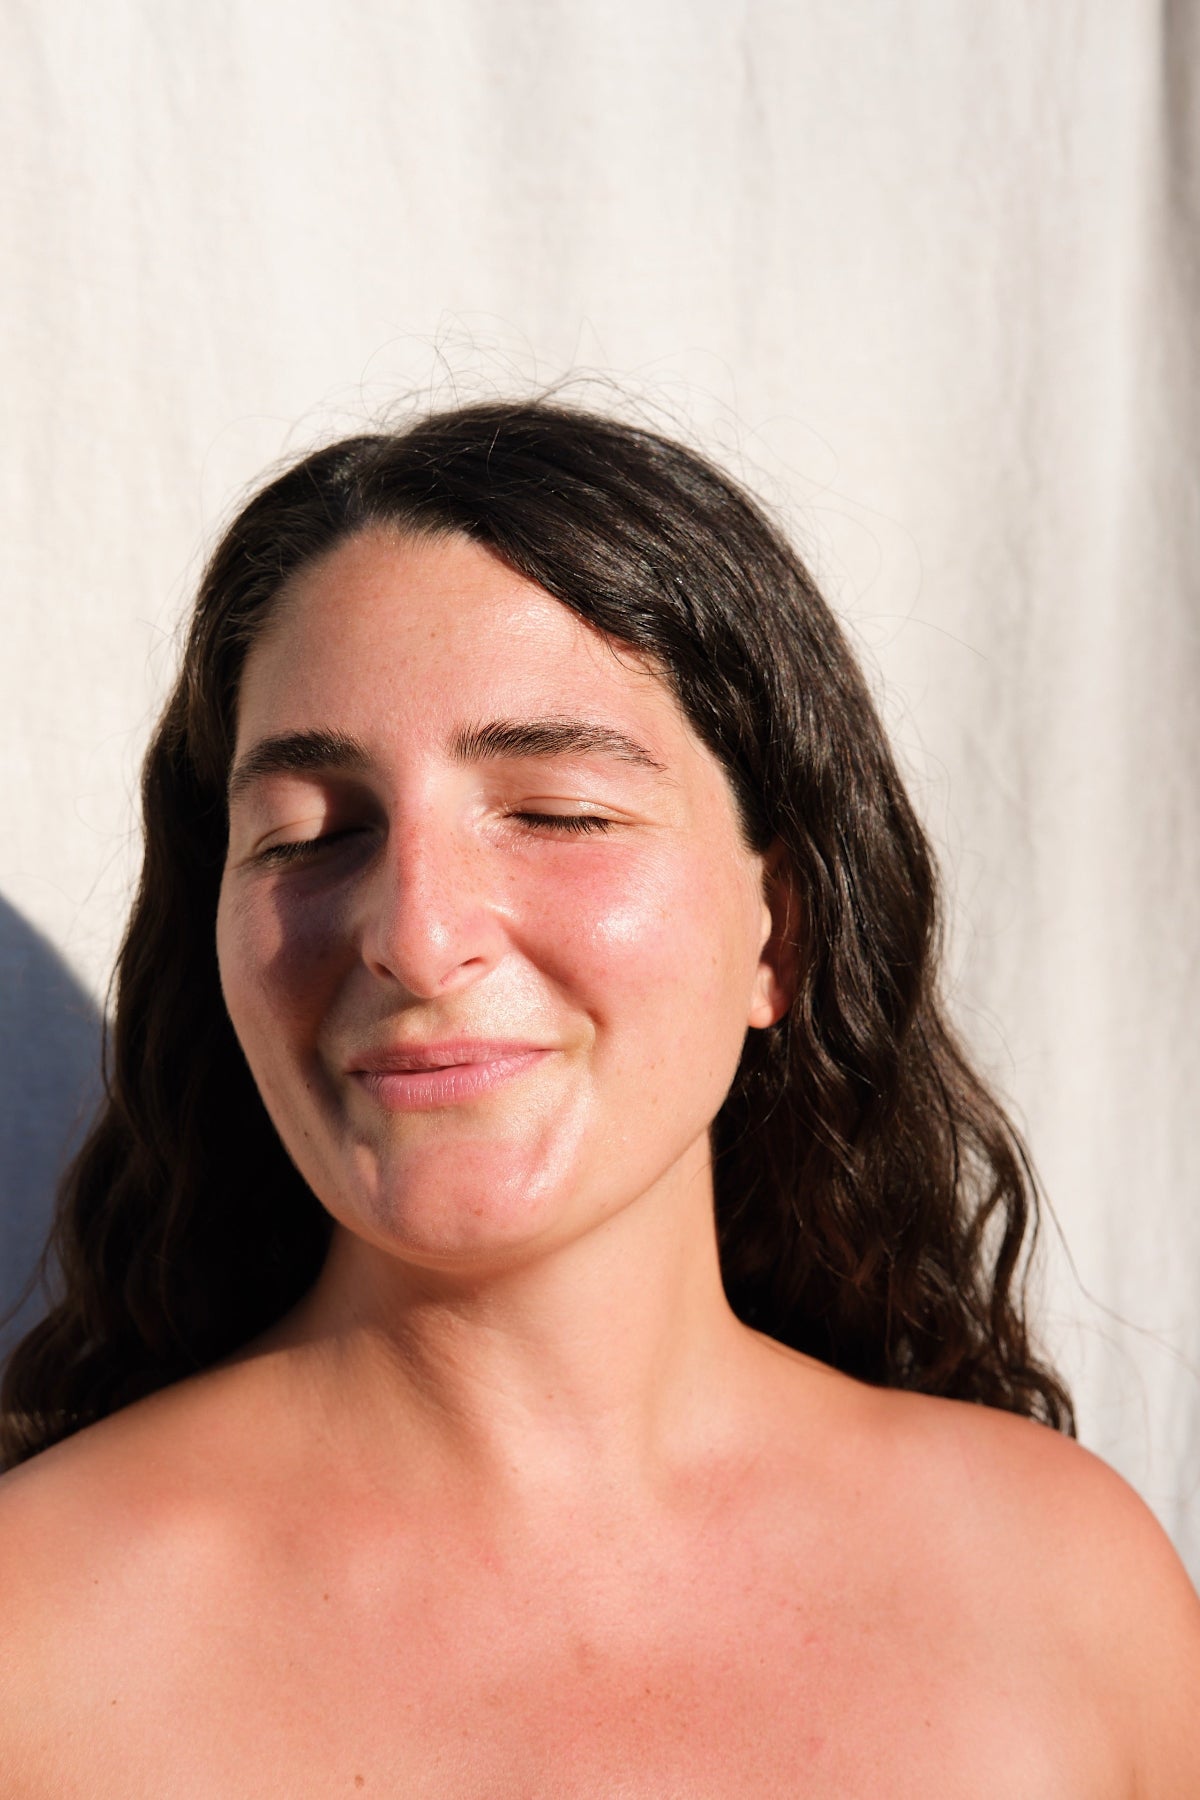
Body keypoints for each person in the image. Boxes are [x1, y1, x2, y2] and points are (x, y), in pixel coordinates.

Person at [1, 399, 1197, 1796]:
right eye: (311, 833)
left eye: (558, 811)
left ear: (781, 935)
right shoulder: (36, 1639)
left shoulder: (1065, 1586)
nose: (411, 929)